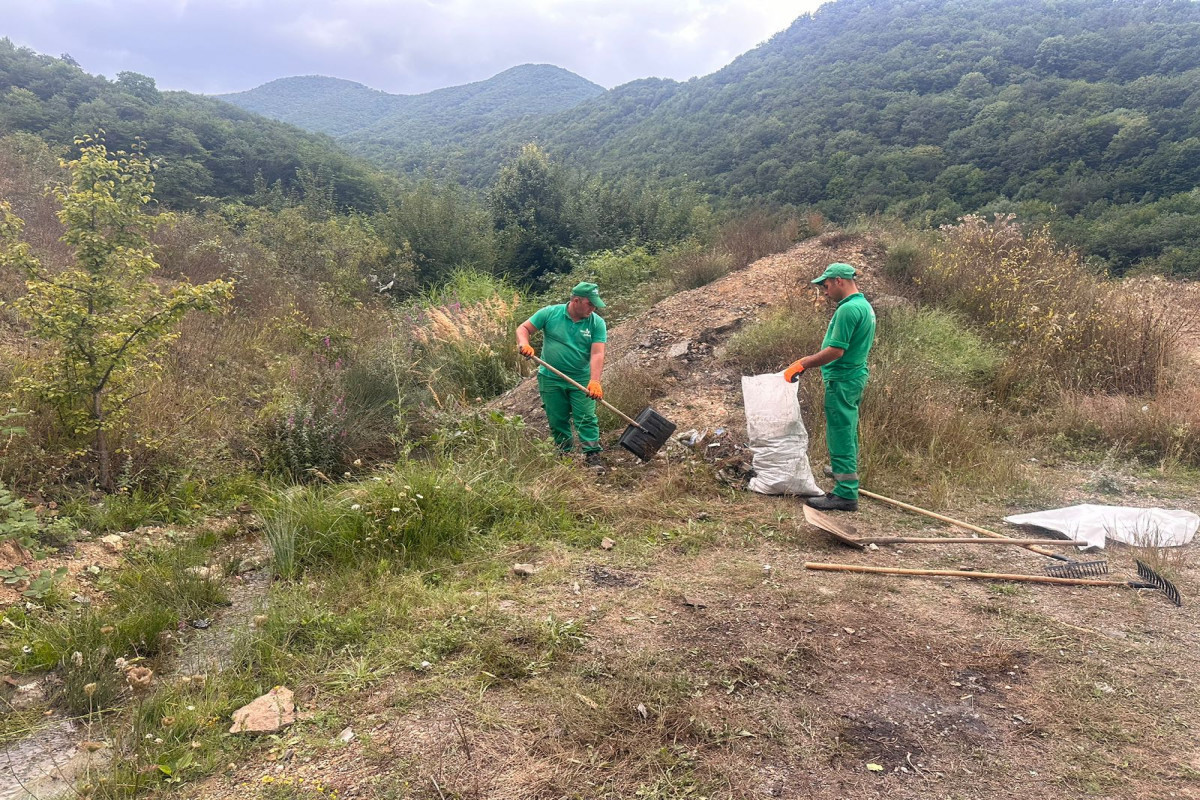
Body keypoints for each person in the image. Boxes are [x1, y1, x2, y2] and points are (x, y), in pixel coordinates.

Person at [784, 263, 876, 512]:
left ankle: (845, 494)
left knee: (840, 432)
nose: (824, 292)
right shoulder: (863, 306)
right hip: (853, 376)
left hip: (843, 379)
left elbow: (836, 350)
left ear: (838, 281)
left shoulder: (848, 310)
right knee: (848, 427)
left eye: (825, 286)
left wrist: (803, 364)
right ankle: (843, 472)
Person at [516, 282, 608, 467]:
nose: (593, 308)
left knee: (586, 417)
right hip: (550, 377)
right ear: (576, 300)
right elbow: (523, 329)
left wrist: (595, 381)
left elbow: (597, 353)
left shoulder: (597, 323)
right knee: (557, 419)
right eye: (590, 304)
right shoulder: (550, 313)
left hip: (580, 379)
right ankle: (564, 455)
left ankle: (592, 456)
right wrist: (524, 343)